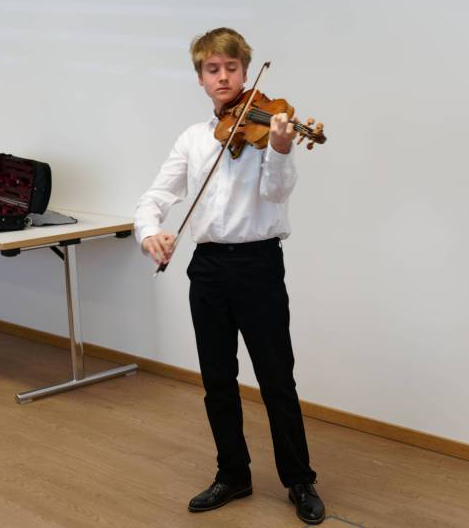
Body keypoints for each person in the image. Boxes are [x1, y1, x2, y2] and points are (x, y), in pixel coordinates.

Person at [133, 27, 325, 525]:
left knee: (276, 378)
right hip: (208, 268)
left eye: (231, 68)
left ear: (245, 71)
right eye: (212, 69)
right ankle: (233, 474)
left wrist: (280, 147)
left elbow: (276, 193)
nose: (223, 77)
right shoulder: (194, 139)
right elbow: (155, 197)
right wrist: (150, 232)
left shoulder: (268, 128)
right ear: (200, 78)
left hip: (259, 264)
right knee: (217, 378)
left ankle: (299, 479)